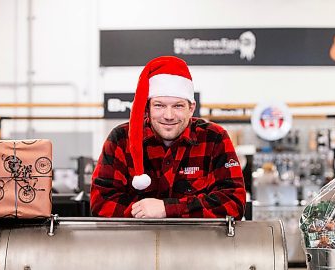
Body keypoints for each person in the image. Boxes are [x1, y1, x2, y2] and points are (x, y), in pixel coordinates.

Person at [90, 56, 246, 220]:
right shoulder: (121, 140)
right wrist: (143, 213)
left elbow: (233, 202)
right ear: (148, 107)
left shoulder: (214, 139)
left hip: (197, 245)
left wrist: (167, 209)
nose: (169, 115)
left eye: (178, 106)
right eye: (159, 105)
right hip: (136, 244)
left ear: (191, 108)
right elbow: (100, 203)